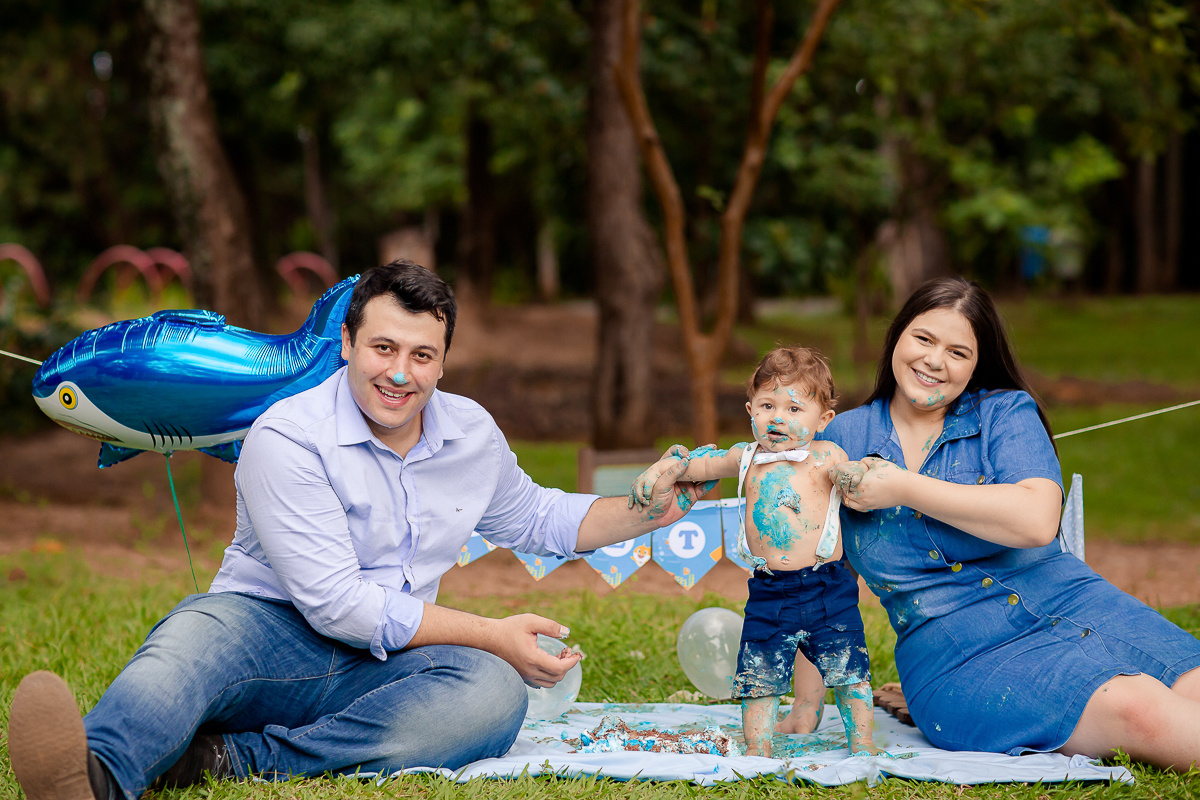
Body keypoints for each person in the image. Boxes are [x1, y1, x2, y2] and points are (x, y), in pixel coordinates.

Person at [7, 261, 716, 800]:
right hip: (263, 631)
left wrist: (646, 509)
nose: (400, 374)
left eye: (422, 355)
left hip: (384, 661)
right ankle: (92, 774)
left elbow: (538, 515)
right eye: (383, 348)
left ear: (443, 360)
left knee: (491, 694)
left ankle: (228, 759)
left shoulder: (471, 432)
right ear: (346, 343)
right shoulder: (286, 435)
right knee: (189, 645)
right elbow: (336, 603)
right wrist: (492, 632)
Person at [821, 276, 1200, 771]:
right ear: (897, 335)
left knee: (1192, 684)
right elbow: (810, 565)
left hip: (1073, 599)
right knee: (1140, 709)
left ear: (976, 364)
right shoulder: (841, 438)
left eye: (958, 352)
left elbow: (1037, 521)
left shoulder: (1004, 412)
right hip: (959, 656)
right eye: (924, 339)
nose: (935, 361)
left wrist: (903, 488)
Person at [629, 346, 879, 758]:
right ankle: (758, 743)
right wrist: (663, 469)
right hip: (769, 589)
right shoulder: (746, 458)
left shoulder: (827, 456)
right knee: (759, 671)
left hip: (827, 586)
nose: (778, 417)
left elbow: (857, 481)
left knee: (849, 667)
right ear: (750, 410)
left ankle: (863, 741)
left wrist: (858, 473)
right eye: (767, 406)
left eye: (794, 408)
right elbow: (698, 466)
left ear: (823, 420)